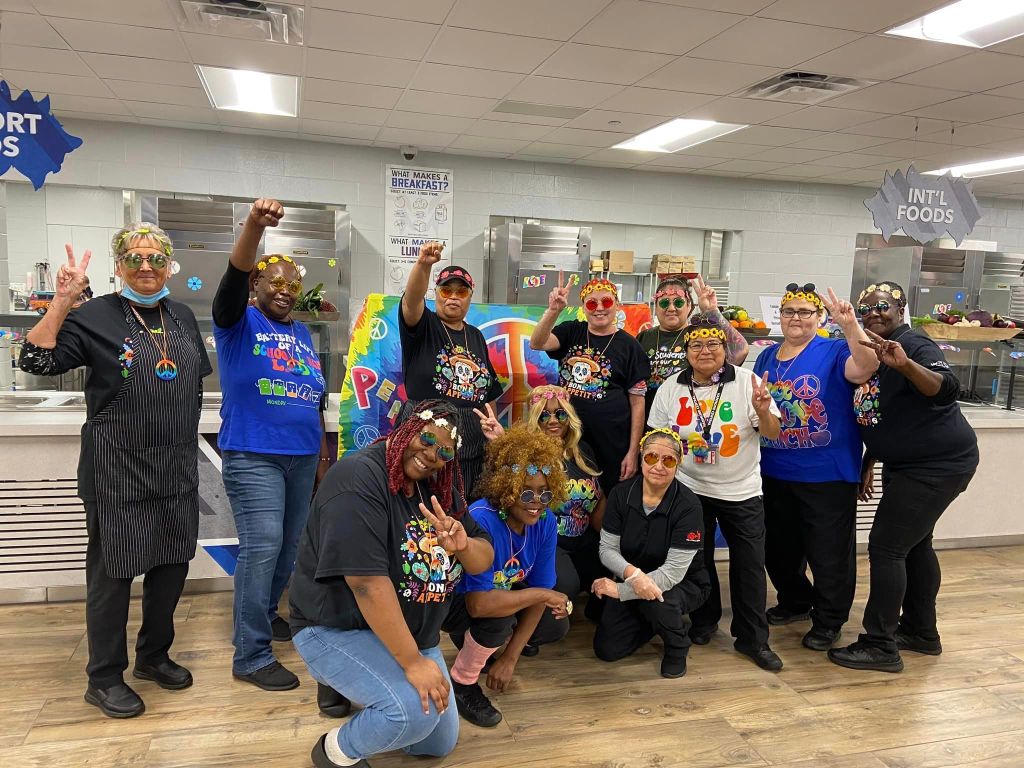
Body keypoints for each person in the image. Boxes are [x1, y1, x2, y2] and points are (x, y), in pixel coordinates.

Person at [19, 229, 211, 718]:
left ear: (169, 265)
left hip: (175, 468)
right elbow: (36, 359)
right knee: (114, 574)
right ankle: (103, 677)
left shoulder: (182, 316)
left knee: (171, 567)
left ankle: (153, 656)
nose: (146, 266)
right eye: (134, 257)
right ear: (119, 265)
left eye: (156, 258)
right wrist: (63, 301)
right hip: (116, 469)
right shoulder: (94, 315)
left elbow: (190, 384)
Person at [289, 399, 495, 768]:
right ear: (405, 427)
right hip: (336, 626)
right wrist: (412, 663)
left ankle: (372, 682)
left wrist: (464, 545)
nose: (432, 455)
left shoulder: (436, 487)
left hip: (413, 633)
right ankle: (335, 751)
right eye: (426, 439)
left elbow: (485, 557)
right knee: (410, 713)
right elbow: (366, 583)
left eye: (445, 451)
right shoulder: (359, 478)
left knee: (438, 742)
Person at [212, 199, 332, 695]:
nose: (284, 290)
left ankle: (263, 613)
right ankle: (251, 654)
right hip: (253, 453)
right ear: (255, 286)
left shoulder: (301, 332)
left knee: (289, 548)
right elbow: (231, 277)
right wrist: (255, 227)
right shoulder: (237, 323)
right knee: (262, 547)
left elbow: (314, 398)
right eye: (273, 282)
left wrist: (322, 457)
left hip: (301, 456)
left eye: (292, 285)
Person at [829, 282, 979, 673]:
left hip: (937, 464)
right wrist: (871, 458)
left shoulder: (913, 343)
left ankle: (880, 644)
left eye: (883, 305)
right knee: (914, 545)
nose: (874, 313)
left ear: (901, 309)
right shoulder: (868, 349)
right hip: (907, 463)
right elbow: (888, 413)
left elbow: (946, 389)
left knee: (887, 548)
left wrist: (905, 364)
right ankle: (920, 633)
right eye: (866, 308)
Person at [649, 315, 784, 670]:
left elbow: (772, 432)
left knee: (749, 566)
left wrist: (762, 410)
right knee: (697, 560)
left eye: (713, 343)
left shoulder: (747, 382)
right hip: (690, 489)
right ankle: (704, 621)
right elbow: (657, 438)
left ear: (725, 348)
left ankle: (753, 639)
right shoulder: (671, 387)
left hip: (742, 491)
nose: (705, 350)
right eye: (696, 344)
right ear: (686, 351)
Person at [753, 283, 879, 652]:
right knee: (779, 549)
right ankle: (795, 601)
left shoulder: (835, 349)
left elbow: (866, 368)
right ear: (780, 316)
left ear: (819, 317)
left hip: (827, 473)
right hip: (774, 470)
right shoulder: (766, 357)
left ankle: (829, 619)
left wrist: (850, 324)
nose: (796, 318)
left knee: (829, 553)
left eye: (805, 312)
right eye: (789, 311)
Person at [443, 424, 570, 728]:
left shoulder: (544, 521)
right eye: (526, 492)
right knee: (499, 618)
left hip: (494, 593)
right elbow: (478, 605)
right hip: (452, 602)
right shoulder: (482, 519)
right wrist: (542, 594)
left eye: (544, 492)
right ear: (506, 488)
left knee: (555, 625)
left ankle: (484, 645)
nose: (537, 502)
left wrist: (510, 658)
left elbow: (542, 586)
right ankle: (462, 683)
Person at [475, 384, 606, 624]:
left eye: (560, 413)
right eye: (544, 415)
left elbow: (598, 500)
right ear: (535, 418)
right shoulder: (528, 456)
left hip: (583, 538)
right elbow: (508, 489)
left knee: (605, 580)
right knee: (566, 585)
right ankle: (534, 626)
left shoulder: (583, 452)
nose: (553, 420)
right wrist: (501, 441)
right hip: (549, 540)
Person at [591, 429, 710, 678]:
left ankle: (677, 647)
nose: (658, 466)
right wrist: (633, 577)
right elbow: (607, 549)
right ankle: (649, 620)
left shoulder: (689, 506)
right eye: (651, 457)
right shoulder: (621, 494)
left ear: (678, 464)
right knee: (607, 649)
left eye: (668, 460)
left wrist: (621, 591)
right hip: (633, 577)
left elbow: (672, 574)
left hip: (682, 583)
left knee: (658, 602)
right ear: (641, 457)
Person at [530, 276, 651, 494]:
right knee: (567, 493)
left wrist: (633, 452)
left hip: (612, 443)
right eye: (592, 303)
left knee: (609, 496)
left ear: (617, 305)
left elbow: (637, 403)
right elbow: (537, 342)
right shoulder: (572, 331)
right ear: (584, 307)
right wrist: (554, 310)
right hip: (568, 439)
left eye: (606, 302)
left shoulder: (630, 346)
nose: (600, 308)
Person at [399, 243, 502, 499]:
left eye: (461, 291)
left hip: (470, 444)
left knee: (461, 505)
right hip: (424, 435)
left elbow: (488, 393)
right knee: (418, 503)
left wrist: (491, 428)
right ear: (436, 294)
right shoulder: (424, 324)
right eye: (446, 290)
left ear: (469, 297)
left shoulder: (475, 336)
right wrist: (423, 265)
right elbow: (412, 299)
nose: (453, 297)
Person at [636, 276, 748, 416]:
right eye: (664, 303)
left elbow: (740, 351)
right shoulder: (643, 338)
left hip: (691, 417)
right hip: (650, 419)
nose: (671, 308)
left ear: (689, 306)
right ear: (656, 307)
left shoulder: (700, 336)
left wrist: (712, 311)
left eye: (678, 302)